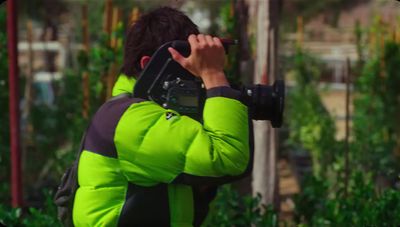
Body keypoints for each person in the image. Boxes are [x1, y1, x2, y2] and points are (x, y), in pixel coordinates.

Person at [72, 6, 252, 227]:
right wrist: (213, 76)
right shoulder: (134, 119)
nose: (194, 73)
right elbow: (227, 157)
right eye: (186, 62)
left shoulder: (142, 110)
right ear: (148, 64)